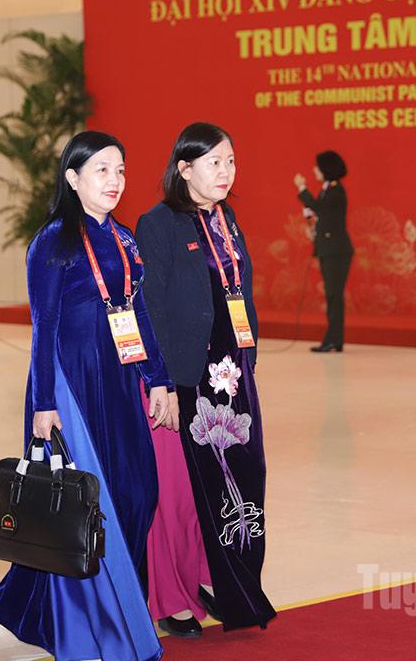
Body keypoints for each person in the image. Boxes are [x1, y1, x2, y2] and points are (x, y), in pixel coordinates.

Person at [0, 131, 175, 661]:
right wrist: (43, 403)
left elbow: (139, 313)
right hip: (72, 386)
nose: (115, 181)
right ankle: (94, 626)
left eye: (121, 170)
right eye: (102, 171)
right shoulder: (53, 240)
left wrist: (158, 378)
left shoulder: (124, 238)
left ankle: (122, 611)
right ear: (72, 179)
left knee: (138, 493)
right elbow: (43, 327)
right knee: (87, 504)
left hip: (119, 382)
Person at [137, 122, 276, 634]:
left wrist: (249, 357)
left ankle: (228, 582)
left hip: (231, 376)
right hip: (184, 380)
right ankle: (171, 597)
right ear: (184, 168)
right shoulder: (158, 224)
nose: (226, 171)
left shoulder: (225, 218)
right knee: (178, 497)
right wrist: (162, 382)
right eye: (214, 162)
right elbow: (151, 308)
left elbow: (240, 293)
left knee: (239, 480)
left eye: (231, 161)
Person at [295, 150, 353, 352]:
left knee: (334, 297)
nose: (315, 170)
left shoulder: (335, 191)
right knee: (332, 297)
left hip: (336, 252)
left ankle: (333, 339)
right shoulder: (328, 189)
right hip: (330, 250)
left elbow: (319, 208)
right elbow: (325, 217)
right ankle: (334, 340)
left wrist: (302, 188)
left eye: (318, 167)